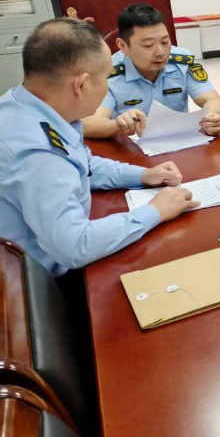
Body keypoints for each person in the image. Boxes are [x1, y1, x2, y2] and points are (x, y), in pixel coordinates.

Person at [0, 18, 200, 277]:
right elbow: (76, 246)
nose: (108, 86)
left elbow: (83, 163)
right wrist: (155, 211)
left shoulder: (27, 105)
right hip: (44, 284)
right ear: (81, 85)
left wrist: (142, 175)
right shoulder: (37, 154)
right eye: (106, 77)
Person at [82, 3, 220, 139]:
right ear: (123, 46)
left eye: (165, 42)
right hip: (130, 148)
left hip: (179, 142)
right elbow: (89, 124)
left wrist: (212, 117)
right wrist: (117, 126)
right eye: (148, 45)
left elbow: (212, 99)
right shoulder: (108, 71)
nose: (160, 52)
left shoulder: (181, 61)